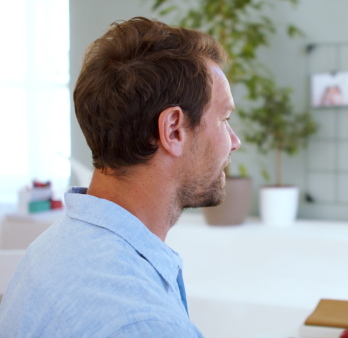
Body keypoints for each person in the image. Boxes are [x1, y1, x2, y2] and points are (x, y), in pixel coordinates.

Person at [0, 17, 240, 336]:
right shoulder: (143, 323)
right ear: (173, 130)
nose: (234, 141)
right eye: (224, 119)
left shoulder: (50, 249)